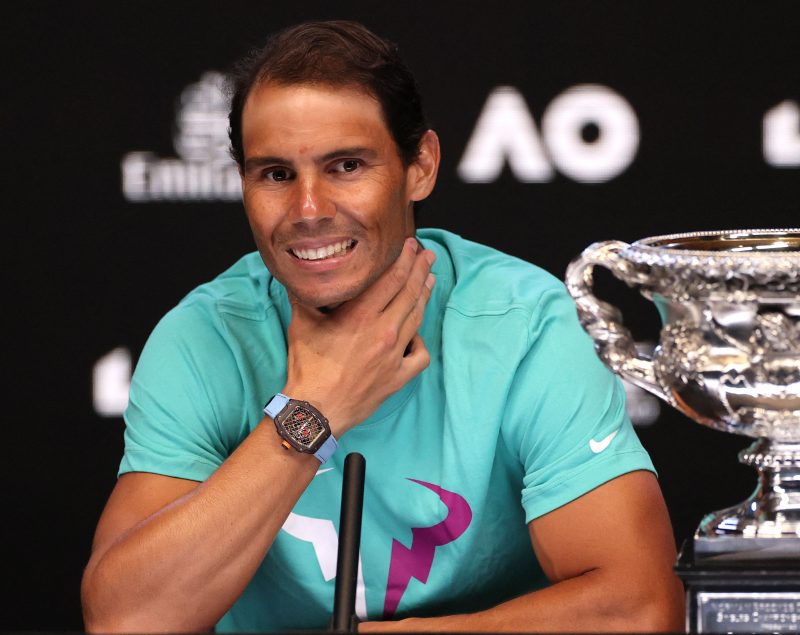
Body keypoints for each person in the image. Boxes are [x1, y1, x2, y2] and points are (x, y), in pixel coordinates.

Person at [81, 20, 684, 632]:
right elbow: (127, 621)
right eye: (276, 174)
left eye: (345, 166)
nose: (308, 211)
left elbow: (639, 606)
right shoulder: (204, 338)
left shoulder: (526, 326)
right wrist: (310, 410)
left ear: (420, 165)